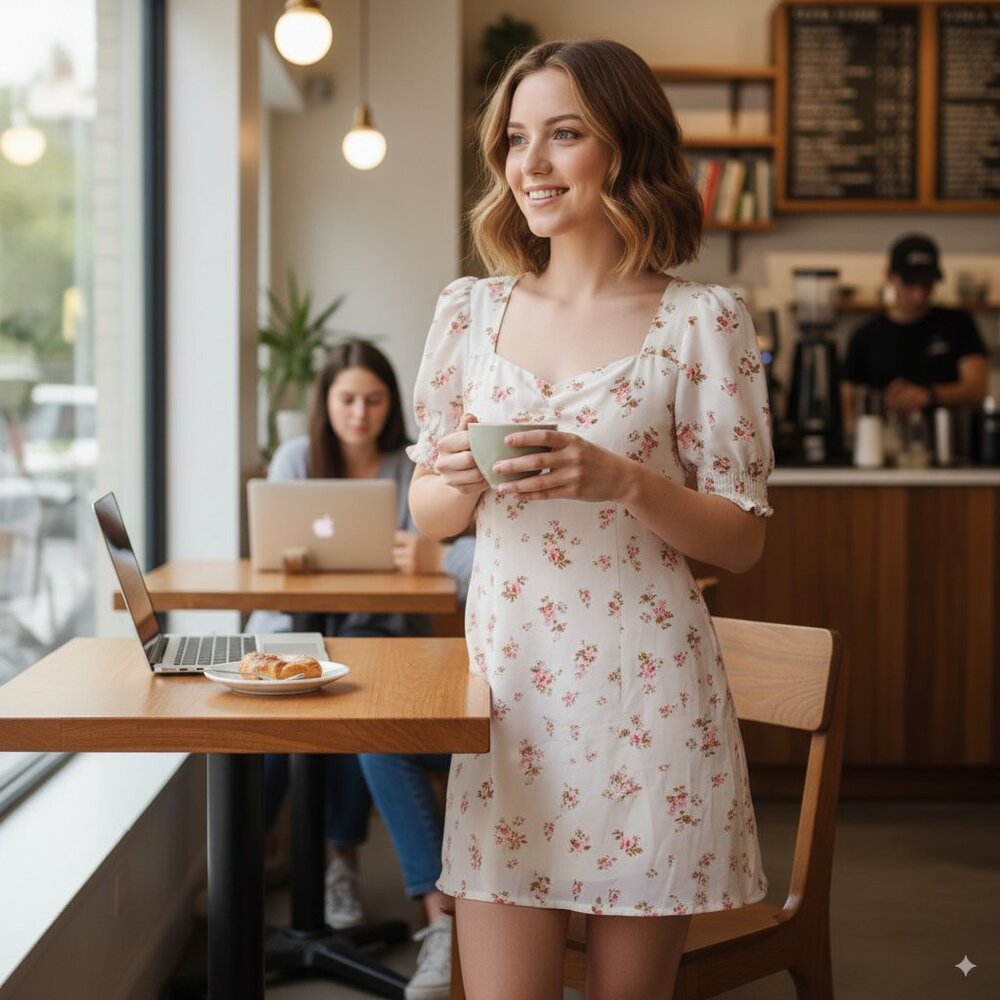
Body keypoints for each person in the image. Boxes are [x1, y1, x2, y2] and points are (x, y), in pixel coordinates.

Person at [407, 39, 773, 1000]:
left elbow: (743, 538)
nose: (529, 164)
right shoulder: (469, 314)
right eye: (516, 139)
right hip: (510, 703)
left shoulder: (704, 322)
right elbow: (429, 514)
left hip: (647, 714)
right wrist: (461, 475)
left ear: (625, 147)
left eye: (563, 134)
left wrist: (623, 482)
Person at [249, 339, 473, 998]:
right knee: (314, 707)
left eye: (374, 399)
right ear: (325, 402)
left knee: (364, 708)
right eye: (347, 399)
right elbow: (266, 567)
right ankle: (300, 864)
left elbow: (470, 559)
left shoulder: (412, 473)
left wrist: (431, 561)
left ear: (390, 404)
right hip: (300, 636)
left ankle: (340, 864)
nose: (360, 413)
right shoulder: (296, 460)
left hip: (386, 640)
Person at [841, 233, 988, 436]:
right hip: (883, 450)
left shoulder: (958, 323)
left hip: (951, 449)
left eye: (927, 285)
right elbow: (847, 400)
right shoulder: (865, 335)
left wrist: (928, 395)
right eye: (910, 284)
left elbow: (977, 389)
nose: (918, 295)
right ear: (889, 276)